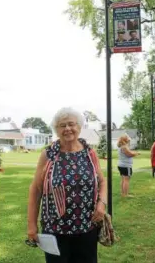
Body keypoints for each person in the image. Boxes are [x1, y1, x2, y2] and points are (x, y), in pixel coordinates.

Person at [27, 107, 107, 263]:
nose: (68, 128)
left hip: (87, 227)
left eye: (71, 124)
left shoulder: (89, 153)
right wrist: (31, 225)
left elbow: (102, 181)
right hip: (55, 230)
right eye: (62, 125)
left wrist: (101, 204)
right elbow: (36, 190)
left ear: (79, 127)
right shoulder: (48, 154)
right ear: (56, 130)